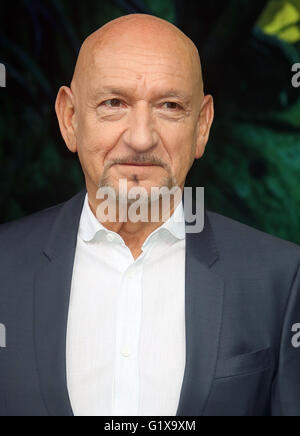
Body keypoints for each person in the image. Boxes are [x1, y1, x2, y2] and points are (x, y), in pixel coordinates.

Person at [0, 13, 299, 417]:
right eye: (114, 103)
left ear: (202, 127)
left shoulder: (281, 277)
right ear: (70, 119)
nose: (141, 138)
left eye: (170, 106)